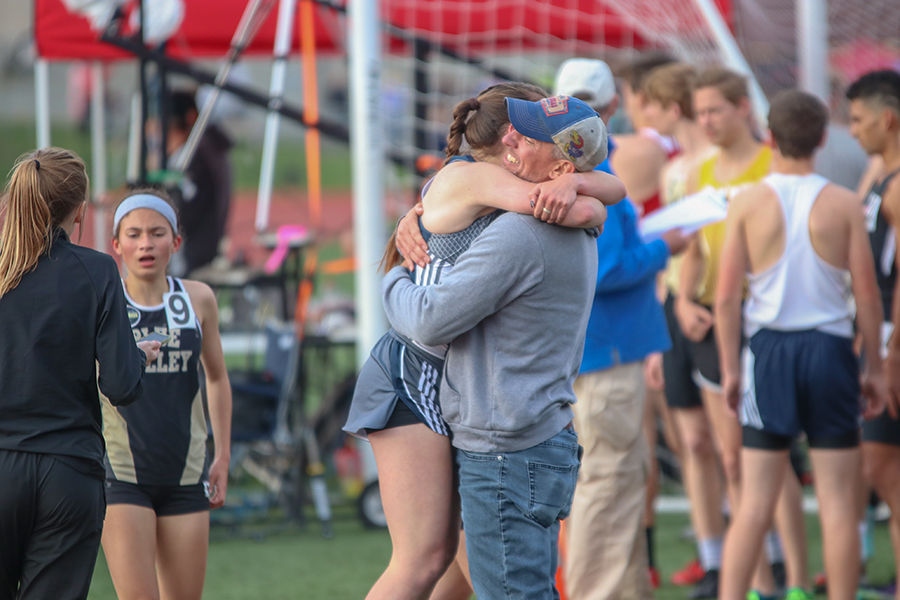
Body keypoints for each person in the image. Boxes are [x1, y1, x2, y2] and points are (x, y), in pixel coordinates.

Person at [345, 84, 623, 600]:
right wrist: (392, 278)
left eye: (531, 133)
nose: (519, 138)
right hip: (412, 363)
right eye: (518, 128)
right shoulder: (478, 180)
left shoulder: (515, 201)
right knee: (423, 560)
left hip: (453, 373)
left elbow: (600, 199)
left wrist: (576, 187)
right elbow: (591, 209)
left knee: (461, 572)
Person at [716, 88, 888, 600]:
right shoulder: (843, 202)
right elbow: (867, 295)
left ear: (769, 137)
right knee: (838, 502)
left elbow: (726, 299)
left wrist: (729, 369)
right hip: (830, 351)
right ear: (821, 139)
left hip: (770, 352)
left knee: (754, 502)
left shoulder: (747, 201)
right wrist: (874, 368)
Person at [551, 57, 692, 600]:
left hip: (601, 350)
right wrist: (664, 249)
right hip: (606, 352)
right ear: (612, 106)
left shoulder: (575, 166)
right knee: (605, 486)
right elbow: (604, 270)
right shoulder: (588, 171)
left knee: (620, 482)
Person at [0, 148, 159, 600]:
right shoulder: (97, 270)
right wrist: (135, 357)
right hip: (68, 473)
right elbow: (121, 386)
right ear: (80, 210)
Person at [675, 66, 807, 600]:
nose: (705, 120)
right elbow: (693, 249)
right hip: (709, 326)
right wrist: (684, 300)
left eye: (715, 110)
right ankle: (758, 586)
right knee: (732, 459)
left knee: (770, 458)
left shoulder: (771, 167)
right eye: (699, 111)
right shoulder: (697, 172)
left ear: (743, 109)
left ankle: (797, 580)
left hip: (761, 324)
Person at [98, 189, 232, 600]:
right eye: (134, 234)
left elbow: (217, 378)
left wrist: (222, 454)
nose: (145, 244)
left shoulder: (198, 299)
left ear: (175, 242)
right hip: (121, 475)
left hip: (186, 474)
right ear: (116, 244)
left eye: (157, 233)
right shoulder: (102, 301)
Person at [847, 69, 900, 599]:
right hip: (878, 339)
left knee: (881, 465)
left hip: (891, 345)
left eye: (859, 120)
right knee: (879, 467)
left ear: (888, 119)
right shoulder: (881, 176)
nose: (852, 130)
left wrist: (890, 352)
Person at [166, 89, 234, 276]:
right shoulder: (208, 150)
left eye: (165, 129)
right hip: (198, 249)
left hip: (192, 255)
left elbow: (184, 212)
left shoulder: (196, 158)